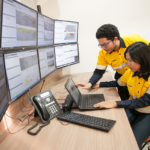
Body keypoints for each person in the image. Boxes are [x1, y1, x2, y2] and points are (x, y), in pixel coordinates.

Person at [84, 42, 150, 149]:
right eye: (127, 60)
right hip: (133, 108)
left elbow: (144, 101)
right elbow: (117, 83)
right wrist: (98, 84)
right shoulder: (130, 73)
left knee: (131, 144)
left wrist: (115, 103)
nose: (128, 64)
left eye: (131, 60)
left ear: (143, 59)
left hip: (148, 114)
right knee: (112, 131)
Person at [77, 24, 149, 100]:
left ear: (115, 39)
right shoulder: (103, 53)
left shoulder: (135, 40)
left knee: (142, 101)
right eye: (100, 45)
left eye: (105, 45)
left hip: (141, 77)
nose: (103, 48)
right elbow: (98, 72)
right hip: (123, 77)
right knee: (124, 100)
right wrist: (90, 83)